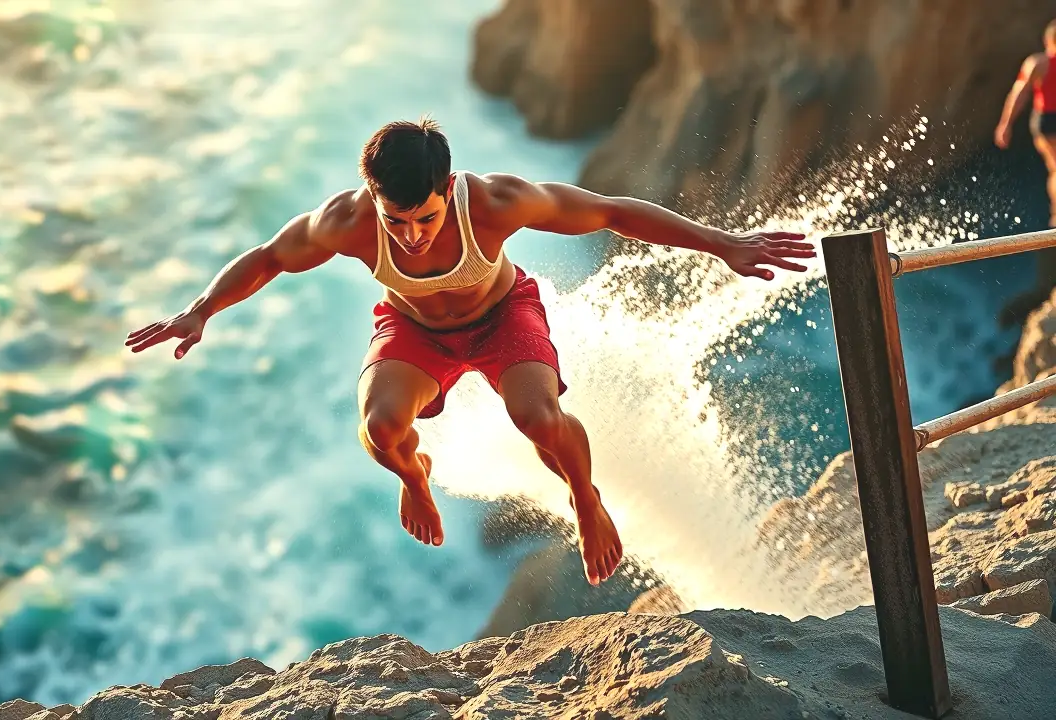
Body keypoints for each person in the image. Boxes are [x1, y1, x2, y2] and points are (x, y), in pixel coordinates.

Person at [125, 117, 815, 586]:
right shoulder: (350, 221)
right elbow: (271, 256)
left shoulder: (492, 203)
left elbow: (610, 211)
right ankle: (415, 477)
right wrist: (200, 310)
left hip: (503, 317)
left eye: (425, 217)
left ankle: (585, 497)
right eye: (397, 221)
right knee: (380, 430)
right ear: (374, 200)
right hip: (414, 332)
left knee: (537, 418)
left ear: (447, 189)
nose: (412, 235)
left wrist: (723, 243)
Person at [996, 19, 1056, 226]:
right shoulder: (1041, 63)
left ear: (1047, 40)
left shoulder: (1037, 63)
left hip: (1046, 121)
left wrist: (1006, 124)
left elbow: (1019, 94)